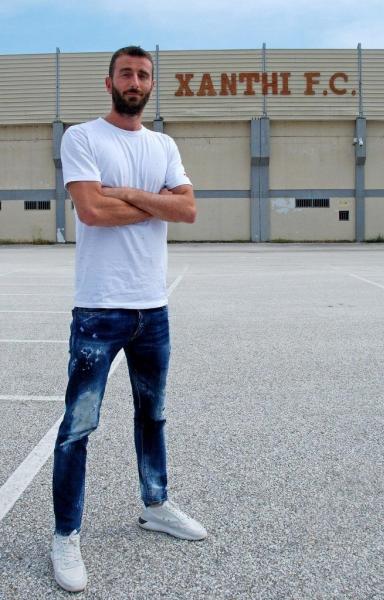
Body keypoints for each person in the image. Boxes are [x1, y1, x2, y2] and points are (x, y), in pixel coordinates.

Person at [51, 46, 206, 593]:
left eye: (142, 74)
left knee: (153, 415)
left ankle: (155, 505)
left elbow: (188, 209)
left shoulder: (163, 145)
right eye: (126, 73)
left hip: (152, 308)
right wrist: (156, 202)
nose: (134, 81)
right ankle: (65, 534)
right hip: (99, 307)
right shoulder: (82, 137)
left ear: (151, 84)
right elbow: (91, 211)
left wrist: (128, 195)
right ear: (109, 81)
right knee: (78, 427)